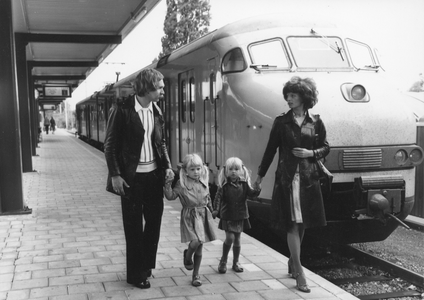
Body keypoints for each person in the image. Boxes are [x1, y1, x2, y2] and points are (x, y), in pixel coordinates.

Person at [253, 76, 330, 293]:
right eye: (287, 95)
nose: (288, 99)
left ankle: (292, 261)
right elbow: (270, 151)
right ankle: (299, 271)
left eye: (293, 95)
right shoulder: (281, 122)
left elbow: (325, 147)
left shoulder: (316, 121)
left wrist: (310, 153)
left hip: (307, 180)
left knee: (302, 223)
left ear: (304, 97)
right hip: (287, 180)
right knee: (292, 225)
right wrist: (259, 176)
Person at [104, 68, 174, 289]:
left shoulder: (156, 111)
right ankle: (135, 274)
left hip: (153, 176)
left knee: (154, 224)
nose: (163, 90)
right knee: (133, 227)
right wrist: (115, 174)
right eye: (160, 87)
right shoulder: (122, 110)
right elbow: (110, 145)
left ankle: (146, 266)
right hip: (131, 179)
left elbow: (161, 143)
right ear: (148, 87)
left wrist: (168, 167)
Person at [164, 153, 216, 287]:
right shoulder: (181, 184)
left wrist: (212, 210)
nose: (196, 172)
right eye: (192, 169)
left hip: (203, 215)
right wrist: (167, 184)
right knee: (196, 241)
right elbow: (170, 196)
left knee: (200, 247)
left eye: (198, 169)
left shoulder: (204, 181)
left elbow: (208, 198)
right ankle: (187, 256)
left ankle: (196, 275)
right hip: (189, 216)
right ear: (185, 171)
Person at [212, 157, 261, 274]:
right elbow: (218, 198)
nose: (233, 171)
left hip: (240, 215)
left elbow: (252, 194)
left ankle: (236, 262)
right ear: (226, 171)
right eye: (231, 169)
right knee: (230, 238)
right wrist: (215, 210)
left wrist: (257, 188)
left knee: (238, 239)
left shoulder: (244, 184)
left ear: (241, 170)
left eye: (236, 169)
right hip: (228, 215)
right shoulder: (223, 186)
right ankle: (223, 260)